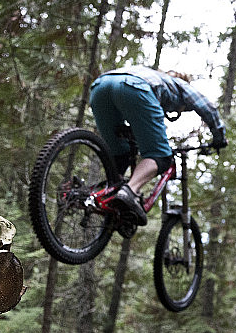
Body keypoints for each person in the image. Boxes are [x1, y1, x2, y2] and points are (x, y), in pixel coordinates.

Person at [88, 65, 227, 226]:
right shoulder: (179, 84)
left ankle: (95, 195)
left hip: (100, 86)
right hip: (133, 87)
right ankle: (130, 191)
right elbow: (206, 106)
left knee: (120, 153)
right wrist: (219, 137)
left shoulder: (152, 76)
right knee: (160, 156)